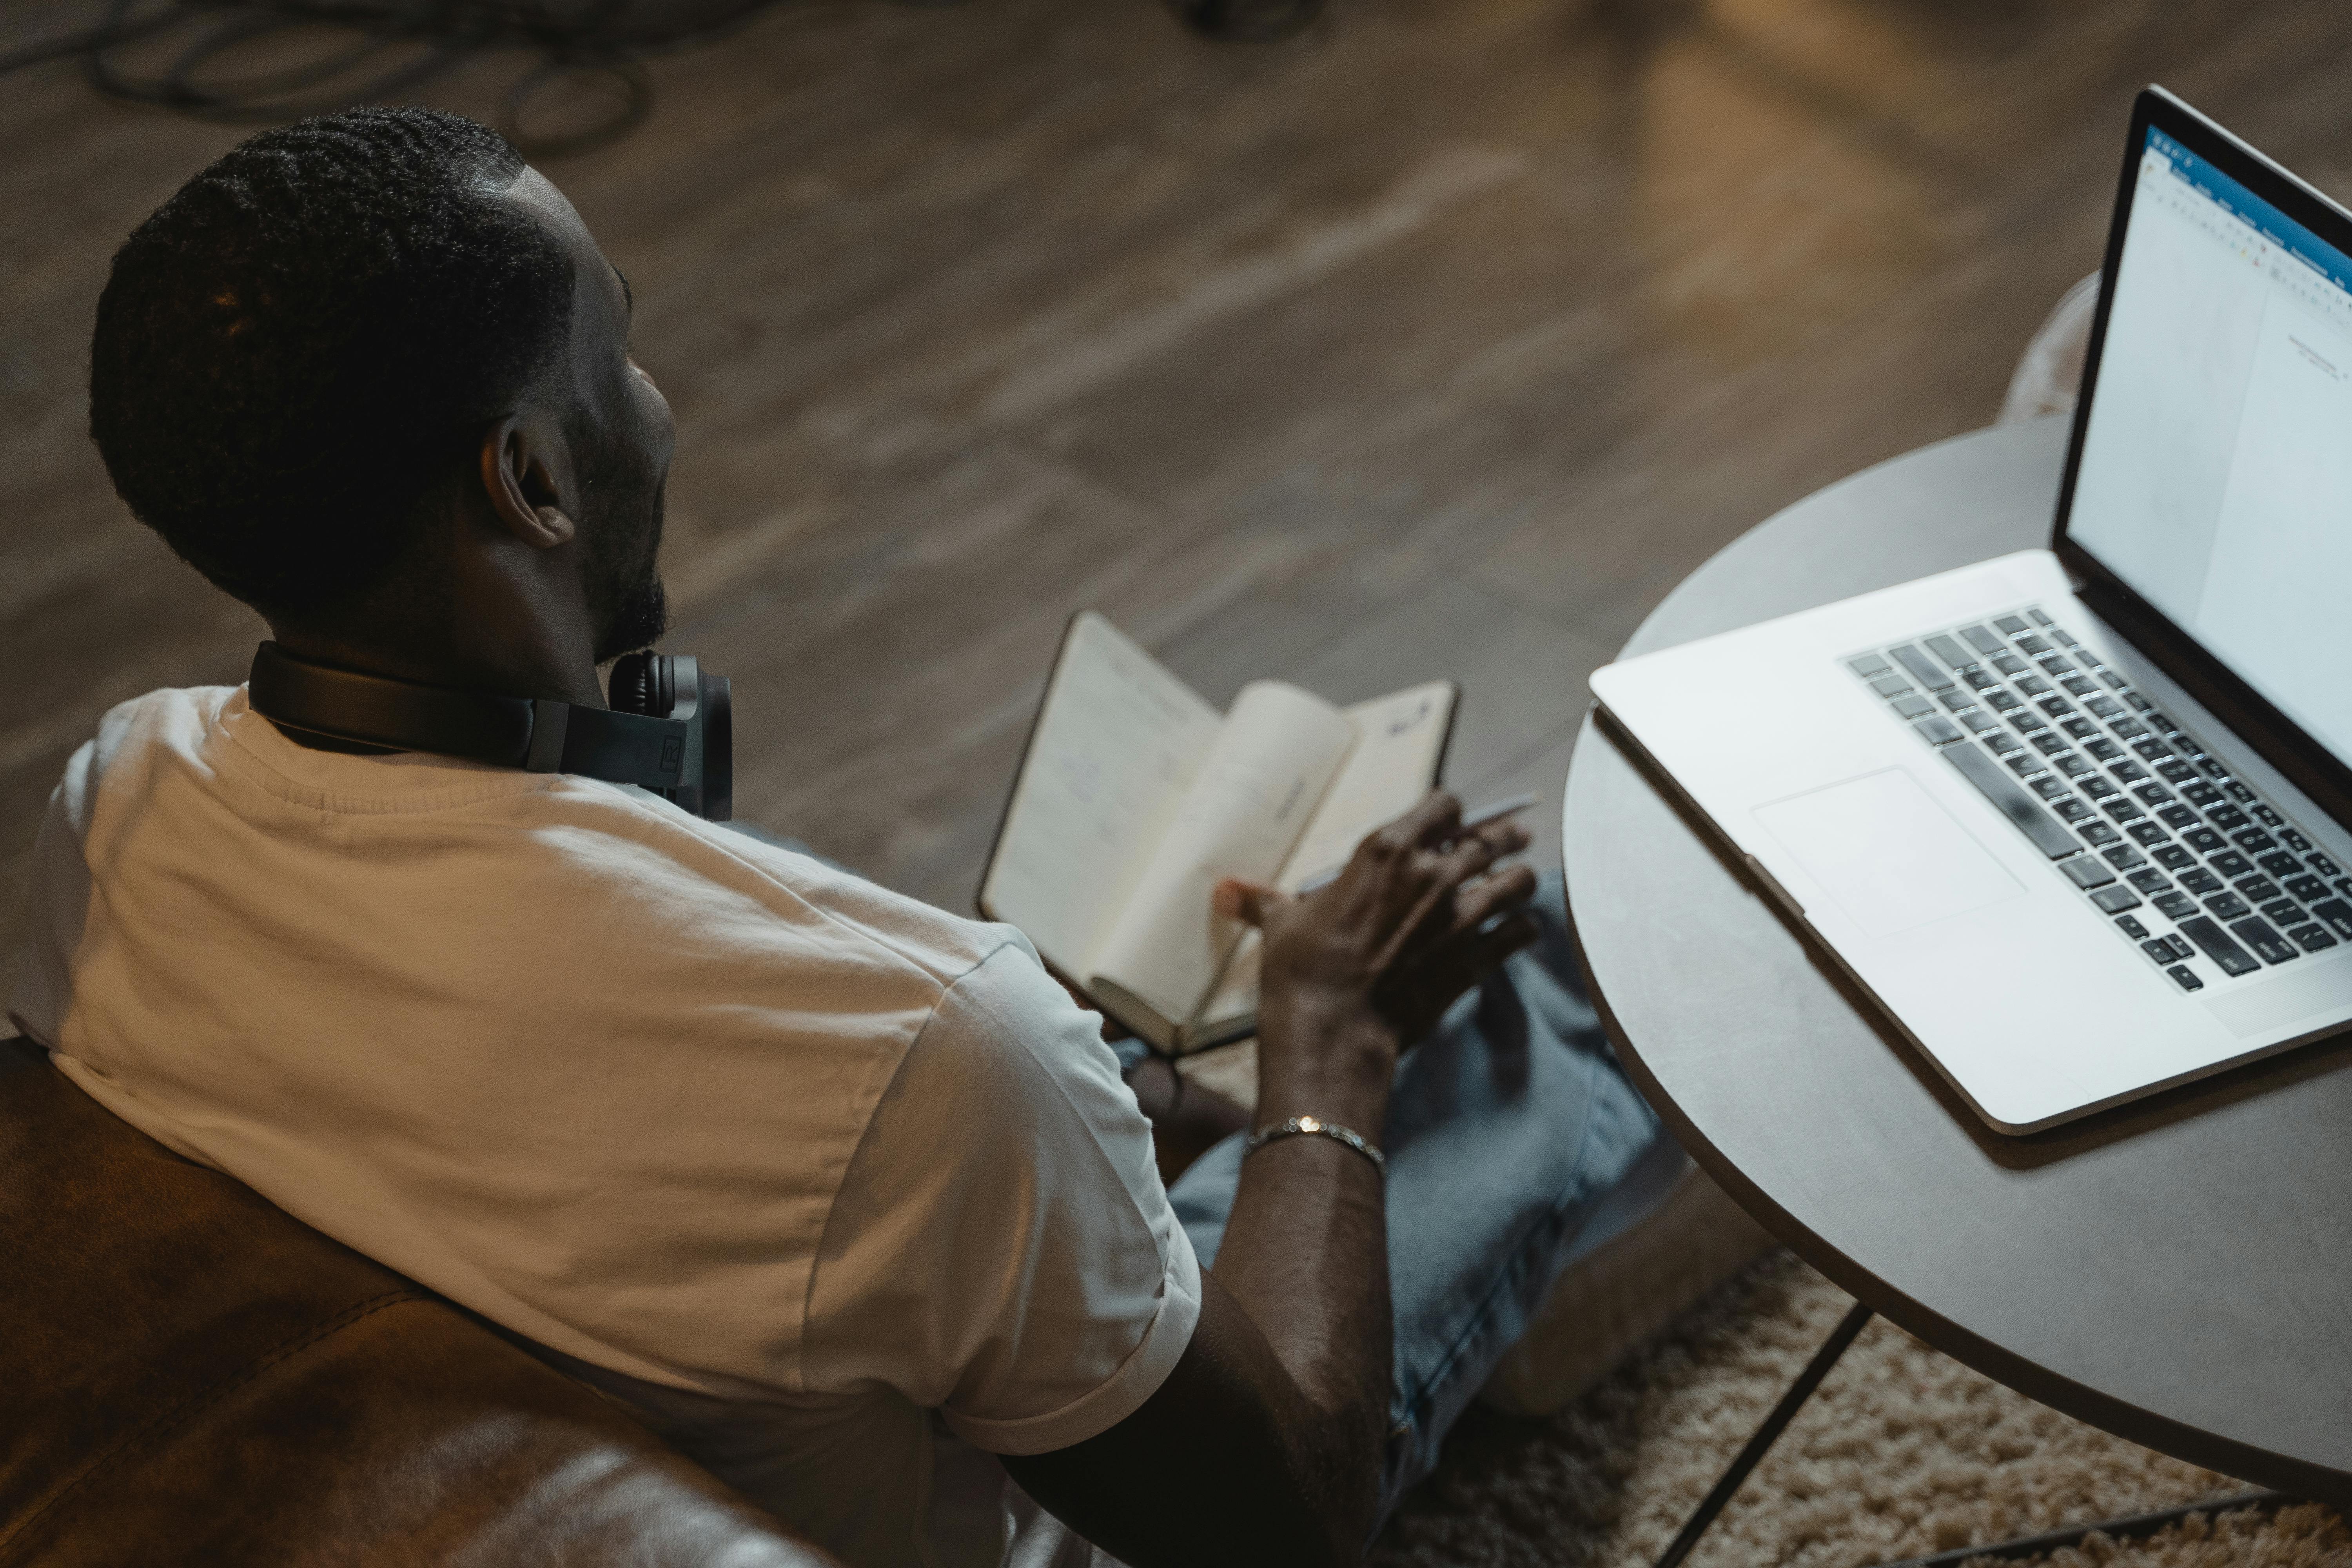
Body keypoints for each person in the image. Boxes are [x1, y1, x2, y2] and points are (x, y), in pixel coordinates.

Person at [10, 108, 1671, 1568]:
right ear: (531, 481)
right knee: (1523, 973)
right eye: (619, 353)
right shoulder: (922, 1053)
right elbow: (1288, 1517)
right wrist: (1332, 1039)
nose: (656, 406)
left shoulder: (113, 812)